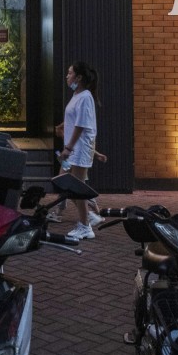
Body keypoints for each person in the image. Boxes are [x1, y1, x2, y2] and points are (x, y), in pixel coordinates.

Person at [58, 62, 106, 241]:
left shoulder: (85, 97)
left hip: (78, 150)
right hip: (73, 149)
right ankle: (88, 216)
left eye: (69, 73)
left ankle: (85, 226)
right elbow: (75, 120)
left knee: (76, 187)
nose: (67, 76)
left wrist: (68, 148)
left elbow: (81, 125)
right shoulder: (76, 95)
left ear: (78, 78)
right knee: (64, 183)